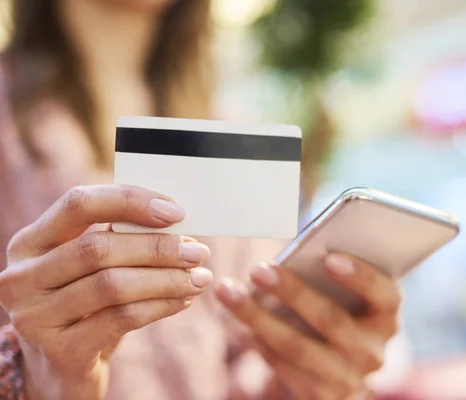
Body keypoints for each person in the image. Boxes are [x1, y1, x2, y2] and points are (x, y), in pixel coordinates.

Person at [0, 1, 401, 399]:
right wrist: (27, 382)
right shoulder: (12, 130)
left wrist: (312, 379)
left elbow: (242, 370)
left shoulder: (240, 137)